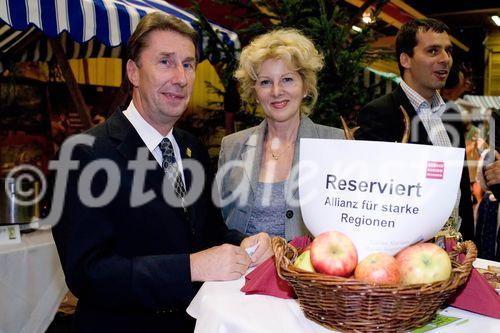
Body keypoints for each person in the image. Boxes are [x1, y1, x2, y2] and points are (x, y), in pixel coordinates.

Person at [51, 13, 272, 333]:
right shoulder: (85, 154)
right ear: (133, 72)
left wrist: (245, 242)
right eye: (165, 62)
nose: (181, 78)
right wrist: (189, 267)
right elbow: (89, 274)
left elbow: (208, 231)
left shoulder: (191, 148)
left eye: (188, 64)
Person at [216, 29, 344, 240]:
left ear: (305, 87)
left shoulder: (336, 143)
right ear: (255, 92)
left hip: (305, 270)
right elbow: (218, 223)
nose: (276, 91)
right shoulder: (232, 146)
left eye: (287, 79)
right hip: (241, 270)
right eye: (265, 82)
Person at [355, 18, 474, 241]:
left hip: (456, 252)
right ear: (405, 59)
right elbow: (372, 197)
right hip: (407, 253)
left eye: (448, 51)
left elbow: (462, 191)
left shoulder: (451, 115)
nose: (445, 59)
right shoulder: (381, 114)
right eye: (433, 51)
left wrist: (468, 245)